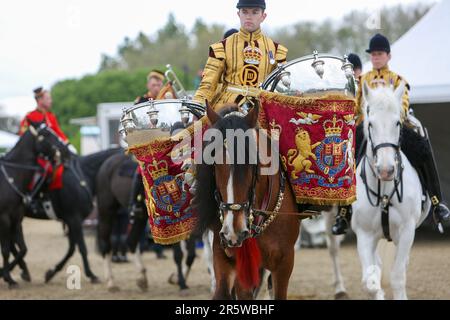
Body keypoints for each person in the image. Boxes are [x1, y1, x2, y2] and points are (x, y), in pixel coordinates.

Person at [332, 34, 450, 235]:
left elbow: (403, 106)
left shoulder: (398, 80)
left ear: (388, 55)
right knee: (347, 156)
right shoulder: (363, 81)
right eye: (373, 54)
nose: (376, 57)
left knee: (423, 148)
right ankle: (343, 212)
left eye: (380, 54)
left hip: (394, 129)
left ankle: (437, 202)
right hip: (368, 130)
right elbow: (355, 107)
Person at [193, 0, 288, 111]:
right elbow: (208, 84)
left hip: (263, 110)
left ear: (263, 16)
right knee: (195, 128)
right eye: (245, 12)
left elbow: (285, 87)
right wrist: (197, 107)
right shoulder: (221, 47)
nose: (249, 17)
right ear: (239, 14)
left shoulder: (277, 50)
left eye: (255, 12)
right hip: (226, 109)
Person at [19, 87, 75, 215]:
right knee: (46, 170)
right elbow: (23, 135)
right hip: (37, 154)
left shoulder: (51, 116)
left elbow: (58, 133)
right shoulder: (30, 116)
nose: (51, 101)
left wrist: (68, 144)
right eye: (48, 98)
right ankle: (34, 198)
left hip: (51, 153)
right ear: (39, 100)